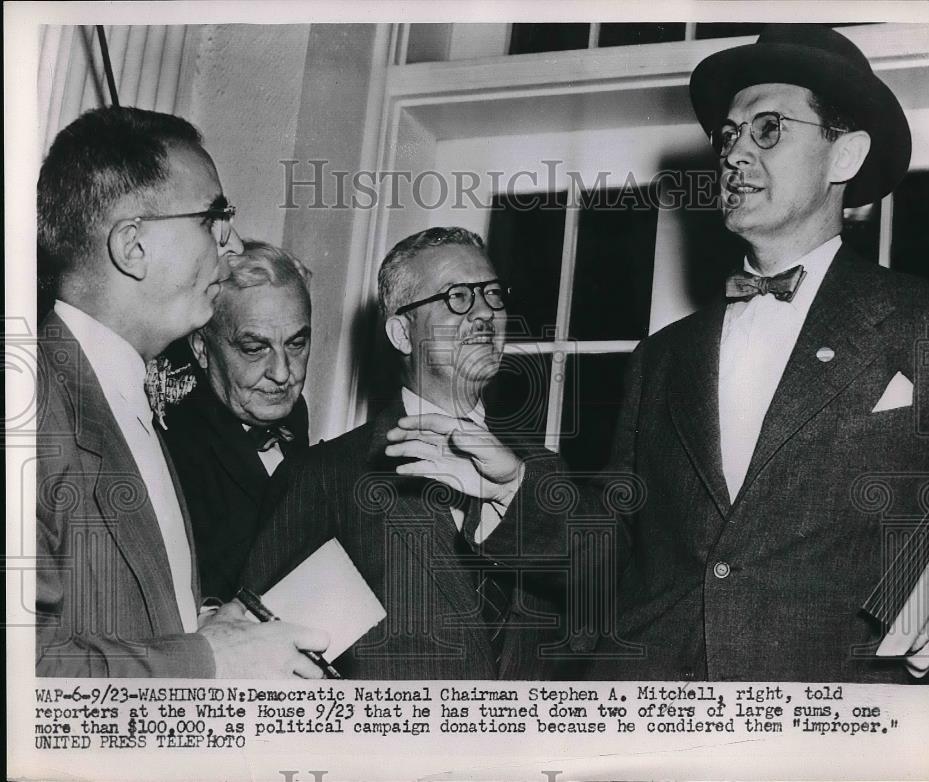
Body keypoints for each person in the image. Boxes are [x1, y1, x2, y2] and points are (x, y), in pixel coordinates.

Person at [386, 25, 929, 683]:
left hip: (834, 726)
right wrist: (514, 492)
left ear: (845, 156)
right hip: (659, 720)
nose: (733, 155)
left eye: (768, 129)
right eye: (728, 137)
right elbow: (615, 557)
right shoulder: (664, 358)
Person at [35, 106, 330, 677]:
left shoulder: (133, 408)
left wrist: (204, 632)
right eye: (212, 219)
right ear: (133, 247)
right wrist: (210, 660)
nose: (234, 243)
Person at [242, 227, 561, 679]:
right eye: (457, 297)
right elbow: (269, 664)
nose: (486, 312)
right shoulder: (324, 478)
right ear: (401, 333)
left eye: (493, 294)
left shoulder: (542, 470)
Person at [161, 240, 312, 602]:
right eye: (254, 348)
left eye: (296, 344)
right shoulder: (175, 444)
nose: (282, 373)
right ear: (201, 348)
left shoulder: (293, 415)